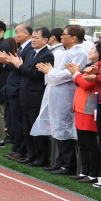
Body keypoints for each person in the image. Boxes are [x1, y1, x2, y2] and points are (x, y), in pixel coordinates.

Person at [32, 25, 89, 175]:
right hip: (57, 93)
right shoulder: (67, 51)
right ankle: (60, 161)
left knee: (64, 128)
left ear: (73, 38)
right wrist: (51, 72)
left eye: (64, 34)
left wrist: (49, 71)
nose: (61, 37)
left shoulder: (80, 53)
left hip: (67, 94)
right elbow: (55, 75)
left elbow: (63, 76)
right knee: (57, 127)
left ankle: (68, 164)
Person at [5, 27, 54, 166]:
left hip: (36, 96)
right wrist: (17, 64)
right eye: (32, 37)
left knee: (37, 128)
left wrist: (19, 65)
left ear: (45, 40)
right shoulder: (32, 52)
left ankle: (41, 157)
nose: (33, 40)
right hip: (25, 95)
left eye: (36, 38)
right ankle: (31, 155)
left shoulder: (47, 55)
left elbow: (34, 74)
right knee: (27, 129)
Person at [66, 41, 101, 183]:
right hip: (80, 108)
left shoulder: (98, 67)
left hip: (88, 109)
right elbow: (79, 81)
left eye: (93, 49)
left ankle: (93, 173)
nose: (90, 51)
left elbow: (87, 83)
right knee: (82, 143)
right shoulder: (90, 66)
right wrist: (77, 75)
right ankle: (84, 171)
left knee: (90, 143)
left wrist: (76, 73)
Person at [0, 24, 33, 160]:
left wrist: (9, 61)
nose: (15, 35)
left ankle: (22, 150)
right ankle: (17, 147)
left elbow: (22, 68)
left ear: (26, 34)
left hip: (18, 88)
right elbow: (16, 66)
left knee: (18, 122)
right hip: (12, 87)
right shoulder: (22, 48)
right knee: (12, 121)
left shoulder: (29, 49)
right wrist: (6, 62)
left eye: (17, 32)